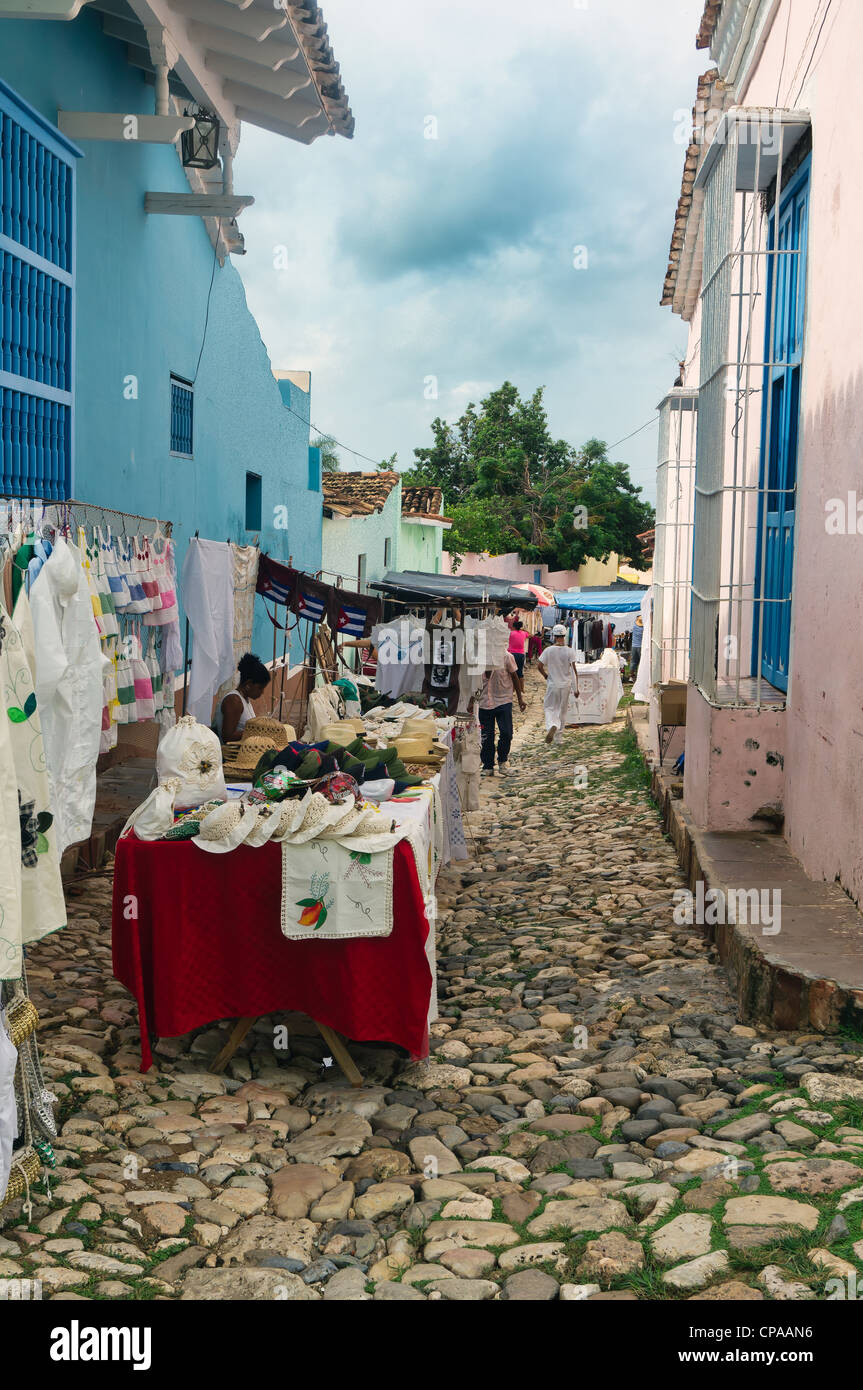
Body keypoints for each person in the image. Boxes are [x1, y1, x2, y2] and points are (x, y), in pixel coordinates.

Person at [476, 651, 525, 777]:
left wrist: (520, 699)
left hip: (503, 700)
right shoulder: (478, 658)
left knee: (506, 733)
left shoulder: (507, 657)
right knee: (486, 736)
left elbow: (515, 677)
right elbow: (472, 681)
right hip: (484, 702)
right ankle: (488, 766)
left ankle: (502, 761)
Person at [214, 652, 271, 743]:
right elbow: (228, 736)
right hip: (231, 755)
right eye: (260, 688)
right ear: (248, 684)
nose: (262, 692)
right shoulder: (234, 701)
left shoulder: (245, 700)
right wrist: (257, 731)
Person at [538, 622, 579, 745]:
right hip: (565, 685)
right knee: (562, 710)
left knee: (550, 708)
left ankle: (552, 724)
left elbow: (539, 666)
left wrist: (546, 676)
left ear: (554, 636)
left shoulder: (548, 650)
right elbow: (573, 670)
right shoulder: (569, 651)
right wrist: (576, 689)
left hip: (553, 684)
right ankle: (559, 738)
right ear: (564, 636)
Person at [630, 614, 644, 681]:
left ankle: (631, 676)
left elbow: (636, 620)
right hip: (641, 646)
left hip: (634, 646)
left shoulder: (634, 626)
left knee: (633, 662)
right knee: (642, 662)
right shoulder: (644, 628)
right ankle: (640, 677)